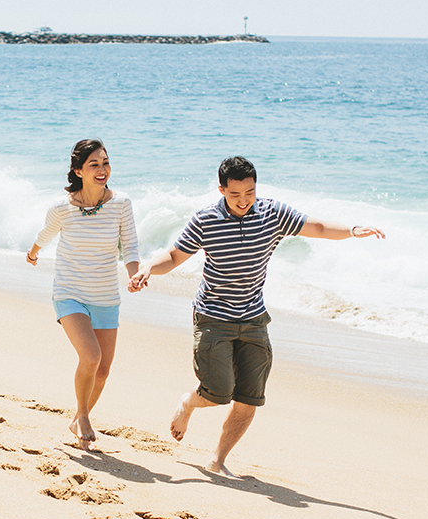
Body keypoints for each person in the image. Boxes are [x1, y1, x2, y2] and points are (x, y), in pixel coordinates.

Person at [130, 155, 384, 477]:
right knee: (218, 391)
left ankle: (218, 460)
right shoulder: (206, 220)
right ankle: (188, 403)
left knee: (249, 398)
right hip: (213, 316)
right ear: (221, 189)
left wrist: (352, 229)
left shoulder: (271, 213)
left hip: (253, 316)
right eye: (235, 194)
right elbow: (174, 255)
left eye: (249, 192)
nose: (243, 201)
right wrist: (149, 268)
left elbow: (316, 227)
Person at [27, 139, 141, 449]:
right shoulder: (61, 208)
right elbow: (46, 233)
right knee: (90, 357)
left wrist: (134, 274)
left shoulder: (121, 203)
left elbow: (129, 246)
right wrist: (34, 251)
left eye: (105, 162)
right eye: (94, 164)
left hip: (105, 295)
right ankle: (84, 415)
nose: (102, 169)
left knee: (102, 370)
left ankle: (79, 417)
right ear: (78, 171)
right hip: (70, 292)